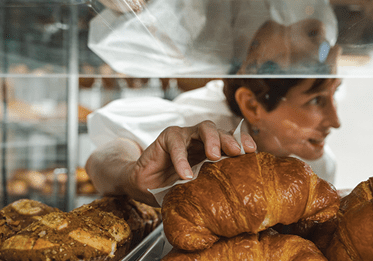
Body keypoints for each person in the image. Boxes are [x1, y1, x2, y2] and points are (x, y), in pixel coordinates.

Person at [85, 18, 342, 207]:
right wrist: (129, 176)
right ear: (252, 106)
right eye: (316, 100)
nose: (336, 120)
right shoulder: (201, 126)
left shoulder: (318, 163)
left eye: (335, 94)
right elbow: (100, 159)